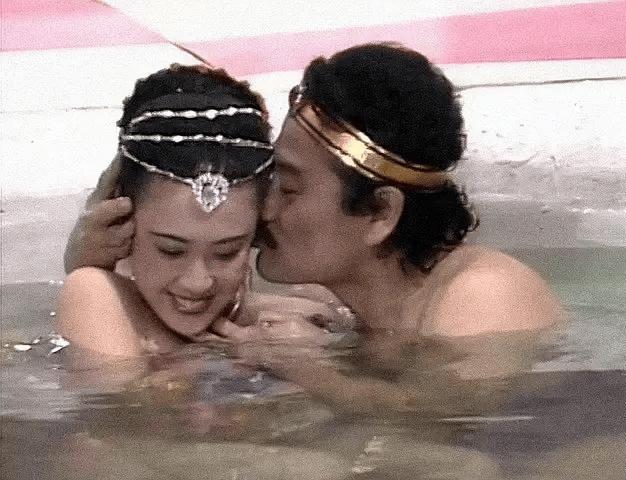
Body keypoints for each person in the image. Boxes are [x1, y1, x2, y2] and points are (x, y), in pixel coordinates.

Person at [64, 44, 564, 417]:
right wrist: (89, 267)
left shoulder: (483, 296)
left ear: (379, 214)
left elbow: (445, 422)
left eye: (289, 187)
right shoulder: (338, 306)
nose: (264, 210)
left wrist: (304, 371)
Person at [57, 64, 339, 358]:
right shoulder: (94, 292)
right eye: (171, 251)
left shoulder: (302, 295)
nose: (197, 282)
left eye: (227, 252)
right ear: (121, 219)